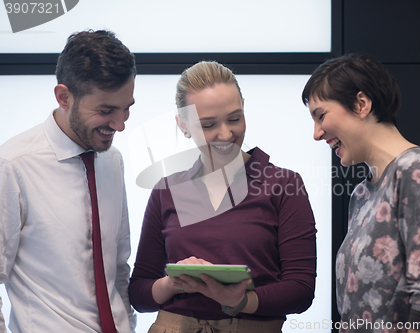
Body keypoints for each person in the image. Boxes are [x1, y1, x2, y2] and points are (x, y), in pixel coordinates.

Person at [129, 61, 317, 332]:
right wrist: (171, 283)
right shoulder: (166, 190)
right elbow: (139, 294)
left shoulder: (284, 185)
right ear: (183, 124)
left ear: (243, 106)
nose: (226, 134)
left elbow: (301, 290)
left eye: (234, 119)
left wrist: (240, 301)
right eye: (208, 125)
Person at [302, 54, 420, 333]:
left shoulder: (415, 169)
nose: (316, 134)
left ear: (361, 104)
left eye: (321, 115)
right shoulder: (362, 194)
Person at [0, 30, 137, 332]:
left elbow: (117, 268)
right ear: (64, 97)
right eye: (106, 110)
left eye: (126, 108)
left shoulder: (112, 161)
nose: (120, 124)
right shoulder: (12, 165)